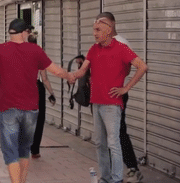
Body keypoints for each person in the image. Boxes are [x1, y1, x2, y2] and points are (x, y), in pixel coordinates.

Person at [0, 19, 73, 183]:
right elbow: (55, 71)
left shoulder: (0, 50)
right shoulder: (35, 50)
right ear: (24, 32)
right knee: (24, 149)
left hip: (8, 108)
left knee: (10, 150)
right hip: (31, 109)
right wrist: (70, 75)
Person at [70, 13, 148, 183]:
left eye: (98, 30)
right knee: (100, 143)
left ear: (109, 29)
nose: (94, 33)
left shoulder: (121, 48)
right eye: (94, 30)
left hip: (112, 104)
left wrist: (126, 88)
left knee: (114, 143)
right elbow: (83, 70)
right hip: (96, 102)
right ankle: (105, 178)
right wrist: (70, 75)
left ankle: (116, 179)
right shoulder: (93, 49)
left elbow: (142, 67)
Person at [98, 12, 143, 182]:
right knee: (110, 135)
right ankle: (120, 170)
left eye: (103, 24)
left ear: (112, 24)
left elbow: (138, 67)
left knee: (116, 134)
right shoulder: (103, 43)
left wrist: (125, 88)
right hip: (104, 96)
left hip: (115, 96)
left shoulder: (121, 43)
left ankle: (130, 169)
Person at [27, 33, 56, 159]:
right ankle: (35, 150)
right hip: (37, 89)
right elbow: (44, 78)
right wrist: (52, 93)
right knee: (38, 119)